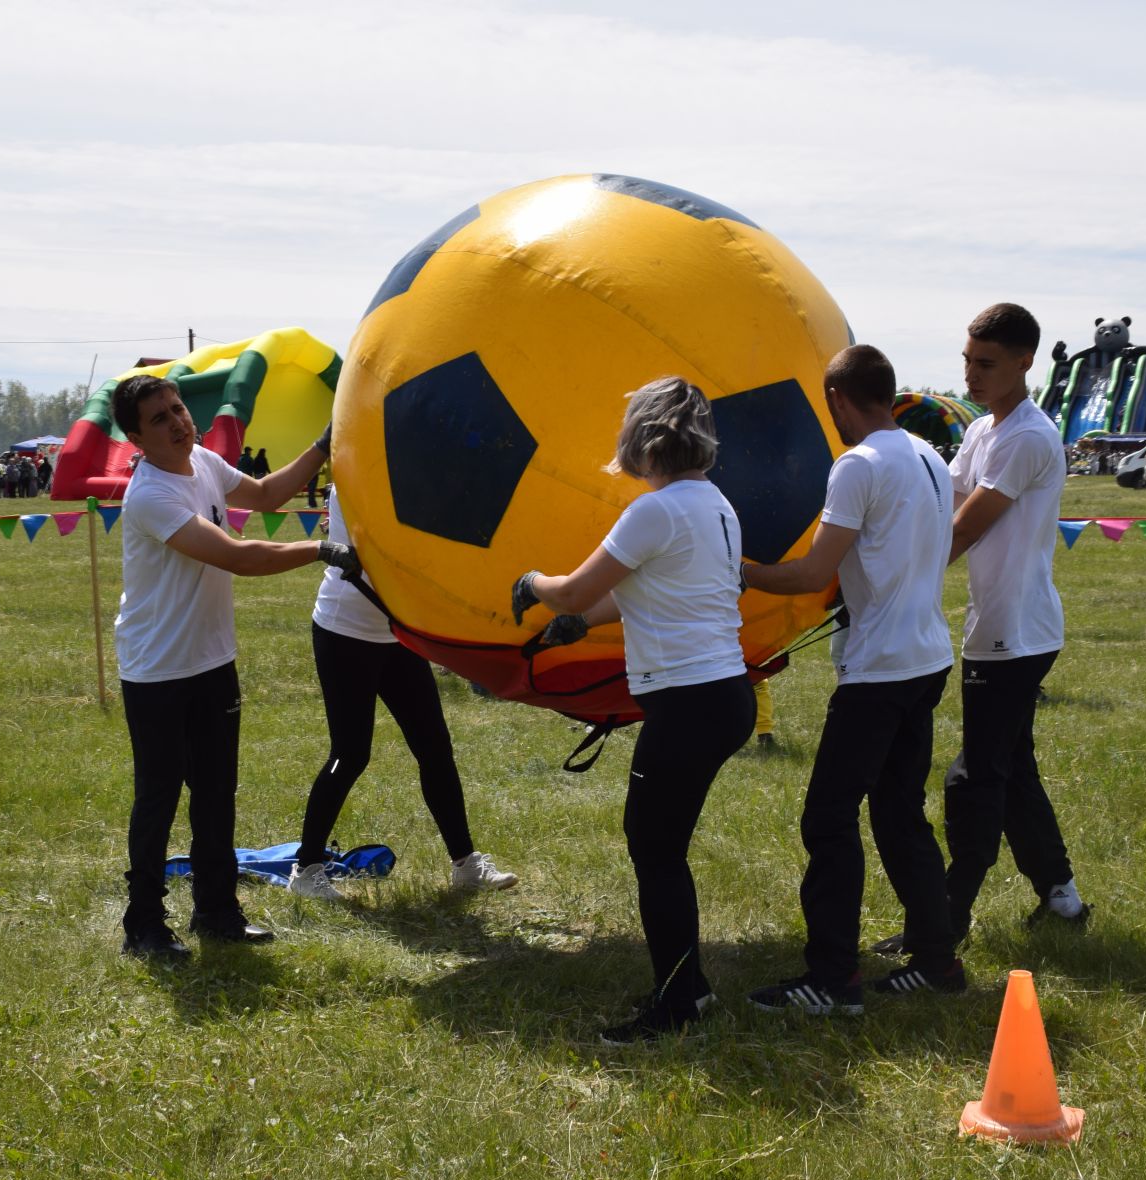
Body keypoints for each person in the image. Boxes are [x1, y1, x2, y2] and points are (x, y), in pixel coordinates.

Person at [514, 376, 754, 1044]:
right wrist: (582, 624)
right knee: (659, 844)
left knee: (654, 848)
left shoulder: (655, 510)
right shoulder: (714, 504)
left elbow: (568, 590)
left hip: (690, 705)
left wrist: (534, 584)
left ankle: (679, 1002)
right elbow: (644, 589)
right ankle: (689, 988)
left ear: (642, 443)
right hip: (719, 697)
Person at [742, 345, 961, 1015]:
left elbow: (812, 573)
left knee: (828, 819)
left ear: (839, 398)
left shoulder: (859, 464)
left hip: (882, 670)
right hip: (926, 657)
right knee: (899, 815)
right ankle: (937, 960)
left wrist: (733, 564)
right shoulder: (927, 455)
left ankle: (833, 981)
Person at [111, 372, 355, 961]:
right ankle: (143, 926)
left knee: (217, 793)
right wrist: (322, 548)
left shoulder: (201, 460)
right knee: (159, 798)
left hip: (212, 662)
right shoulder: (149, 496)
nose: (177, 422)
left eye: (177, 409)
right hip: (157, 672)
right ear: (136, 438)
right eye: (160, 418)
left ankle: (217, 913)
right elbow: (237, 556)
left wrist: (325, 444)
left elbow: (269, 494)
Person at [879, 304, 1087, 958]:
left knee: (975, 777)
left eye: (985, 363)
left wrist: (900, 585)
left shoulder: (1027, 436)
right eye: (968, 359)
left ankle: (945, 917)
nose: (970, 373)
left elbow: (967, 525)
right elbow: (942, 498)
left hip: (1014, 635)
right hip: (1000, 630)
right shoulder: (983, 432)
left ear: (1025, 362)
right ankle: (1062, 896)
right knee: (1012, 767)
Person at [286, 483, 517, 902]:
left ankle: (465, 864)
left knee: (434, 747)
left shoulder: (414, 471)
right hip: (346, 632)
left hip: (395, 635)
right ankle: (306, 869)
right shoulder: (362, 473)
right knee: (350, 753)